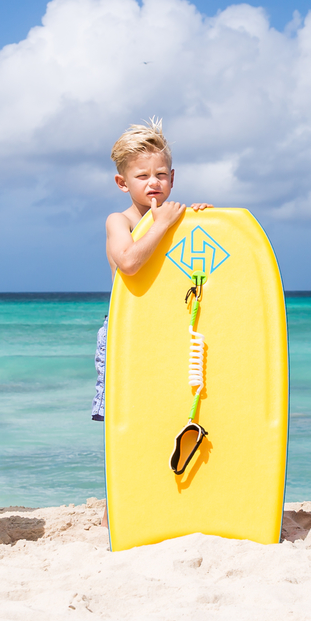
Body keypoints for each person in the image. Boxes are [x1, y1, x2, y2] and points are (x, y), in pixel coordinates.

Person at [93, 120, 210, 422]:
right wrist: (161, 224)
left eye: (160, 175)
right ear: (123, 183)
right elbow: (129, 264)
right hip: (127, 327)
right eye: (142, 176)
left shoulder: (178, 219)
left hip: (169, 326)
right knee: (128, 414)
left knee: (166, 408)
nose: (153, 182)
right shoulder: (120, 221)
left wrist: (205, 223)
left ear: (172, 178)